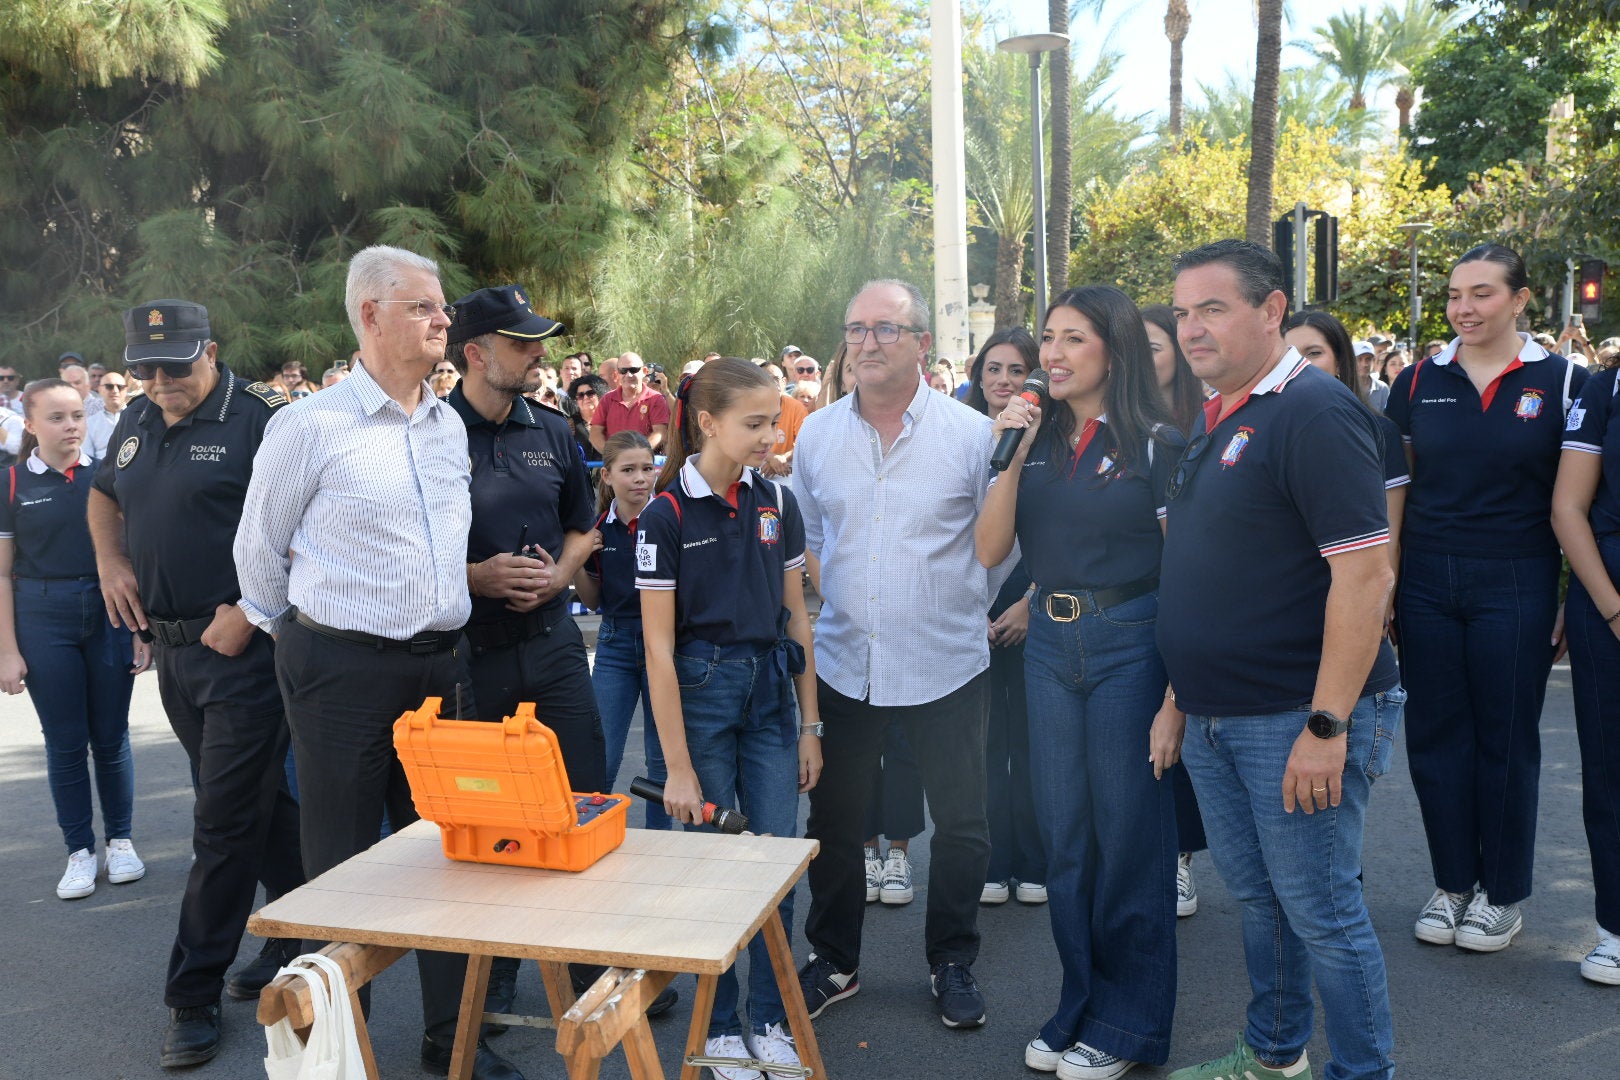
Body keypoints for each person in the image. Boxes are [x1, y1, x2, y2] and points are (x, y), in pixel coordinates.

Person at [233, 247, 526, 1080]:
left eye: (443, 309)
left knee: (449, 855)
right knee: (343, 871)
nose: (444, 321)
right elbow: (257, 552)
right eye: (425, 308)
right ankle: (340, 1053)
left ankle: (451, 1042)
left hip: (441, 669)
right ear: (370, 315)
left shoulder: (445, 424)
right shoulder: (309, 425)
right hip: (341, 672)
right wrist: (296, 631)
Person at [1158, 240, 1400, 1080]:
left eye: (1212, 309)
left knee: (1324, 914)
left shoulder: (1316, 411)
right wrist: (1181, 697)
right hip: (1218, 715)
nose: (1192, 329)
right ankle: (1272, 1058)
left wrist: (1327, 724)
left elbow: (1366, 576)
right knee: (1262, 905)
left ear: (1272, 311)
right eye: (1183, 313)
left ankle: (1362, 1073)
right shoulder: (1224, 408)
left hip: (1295, 718)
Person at [86, 299, 305, 1068]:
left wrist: (252, 609)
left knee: (219, 822)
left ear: (210, 352)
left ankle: (192, 994)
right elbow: (104, 494)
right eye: (143, 367)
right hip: (175, 655)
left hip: (245, 651)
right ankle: (304, 933)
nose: (157, 380)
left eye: (173, 365)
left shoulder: (264, 418)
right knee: (261, 808)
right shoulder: (138, 417)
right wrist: (111, 561)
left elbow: (306, 528)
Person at [976, 288, 1184, 1080]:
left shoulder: (1159, 442)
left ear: (1115, 349)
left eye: (1073, 340)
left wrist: (1178, 696)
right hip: (1049, 648)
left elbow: (1187, 571)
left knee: (1129, 837)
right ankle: (1079, 1005)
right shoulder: (1034, 440)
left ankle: (1129, 1026)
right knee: (1066, 837)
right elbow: (992, 550)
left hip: (1133, 644)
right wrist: (1014, 449)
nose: (1051, 356)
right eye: (1048, 341)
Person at [794, 280, 1004, 1030]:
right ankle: (836, 962)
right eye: (855, 328)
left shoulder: (971, 435)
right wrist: (850, 599)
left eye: (885, 328)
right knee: (835, 821)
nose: (866, 342)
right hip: (849, 662)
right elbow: (811, 540)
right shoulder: (817, 434)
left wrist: (976, 609)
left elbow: (998, 543)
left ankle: (952, 961)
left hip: (947, 663)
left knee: (961, 824)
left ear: (922, 343)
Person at [1385, 243, 1586, 954]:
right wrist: (1386, 583)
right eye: (1453, 294)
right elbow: (1398, 494)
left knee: (1505, 738)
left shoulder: (1565, 381)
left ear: (1521, 299)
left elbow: (1579, 501)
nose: (1463, 308)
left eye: (1481, 293)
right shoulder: (1416, 382)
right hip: (1427, 580)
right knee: (1436, 735)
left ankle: (1501, 894)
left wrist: (1572, 596)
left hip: (1519, 577)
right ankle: (1452, 883)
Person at [637, 358, 822, 1080]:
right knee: (710, 869)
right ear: (707, 423)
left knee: (777, 864)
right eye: (755, 423)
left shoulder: (776, 498)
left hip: (773, 697)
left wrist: (811, 725)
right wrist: (676, 766)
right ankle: (717, 1030)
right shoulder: (665, 513)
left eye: (774, 420)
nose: (771, 435)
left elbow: (798, 615)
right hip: (700, 691)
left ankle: (772, 1020)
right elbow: (656, 650)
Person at [443, 284, 612, 1025]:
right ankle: (499, 972)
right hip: (471, 655)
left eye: (538, 340)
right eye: (521, 343)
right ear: (476, 354)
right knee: (493, 821)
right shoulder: (429, 434)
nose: (538, 353)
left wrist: (558, 575)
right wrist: (476, 577)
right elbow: (402, 556)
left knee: (584, 800)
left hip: (552, 647)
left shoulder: (549, 427)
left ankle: (591, 967)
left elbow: (586, 525)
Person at [0, 379, 149, 901]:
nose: (70, 427)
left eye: (76, 417)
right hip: (42, 618)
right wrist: (8, 650)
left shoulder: (107, 479)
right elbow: (1, 574)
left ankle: (121, 842)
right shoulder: (11, 483)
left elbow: (131, 558)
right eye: (57, 418)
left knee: (111, 739)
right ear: (31, 422)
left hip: (108, 614)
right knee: (65, 743)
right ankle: (79, 851)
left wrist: (140, 628)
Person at [961, 328, 1047, 909]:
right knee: (983, 746)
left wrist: (1031, 602)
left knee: (1035, 743)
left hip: (1035, 603)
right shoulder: (962, 437)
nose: (1004, 382)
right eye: (993, 369)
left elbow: (1069, 534)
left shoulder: (1051, 441)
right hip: (971, 610)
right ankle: (992, 861)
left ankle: (1035, 860)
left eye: (1017, 371)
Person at [1552, 361, 1620, 985]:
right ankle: (1616, 928)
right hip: (1609, 604)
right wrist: (1612, 608)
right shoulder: (1607, 388)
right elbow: (1568, 507)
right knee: (1609, 771)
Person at [1141, 303, 1209, 917]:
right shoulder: (1110, 419)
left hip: (1187, 599)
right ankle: (1152, 853)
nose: (1142, 357)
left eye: (1155, 346)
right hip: (1126, 603)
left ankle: (1182, 860)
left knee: (1180, 726)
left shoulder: (1197, 425)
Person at [574, 431, 668, 827]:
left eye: (647, 468)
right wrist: (577, 558)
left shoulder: (668, 519)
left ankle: (659, 846)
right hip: (614, 644)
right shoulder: (598, 528)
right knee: (603, 753)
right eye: (628, 470)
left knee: (661, 758)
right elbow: (593, 601)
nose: (640, 478)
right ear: (607, 476)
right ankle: (596, 833)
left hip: (663, 644)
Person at [1283, 311, 1411, 594]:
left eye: (1313, 352)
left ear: (1340, 360)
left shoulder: (1380, 431)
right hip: (1282, 597)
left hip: (1352, 594)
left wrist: (1382, 604)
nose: (1299, 364)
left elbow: (1388, 535)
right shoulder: (1258, 430)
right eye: (1288, 354)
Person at [590, 351, 670, 451]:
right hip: (615, 462)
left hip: (645, 461)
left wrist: (638, 454)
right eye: (623, 371)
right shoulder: (607, 399)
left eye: (633, 370)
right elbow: (595, 433)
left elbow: (660, 433)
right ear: (617, 374)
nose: (628, 375)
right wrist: (610, 454)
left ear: (644, 371)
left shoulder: (656, 399)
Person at [85, 369, 130, 461]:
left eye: (120, 387)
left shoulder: (139, 418)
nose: (115, 390)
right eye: (109, 386)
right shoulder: (90, 423)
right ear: (100, 389)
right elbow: (87, 457)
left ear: (126, 390)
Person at [1352, 340, 1390, 413]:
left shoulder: (1383, 388)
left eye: (1368, 359)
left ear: (1374, 361)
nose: (1364, 364)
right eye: (1359, 359)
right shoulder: (1344, 386)